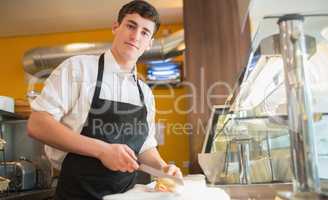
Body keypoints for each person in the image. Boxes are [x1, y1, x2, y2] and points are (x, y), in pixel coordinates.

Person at [27, 1, 182, 199]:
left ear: (150, 43)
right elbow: (38, 124)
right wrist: (102, 150)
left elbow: (145, 146)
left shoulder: (145, 92)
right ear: (116, 27)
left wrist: (163, 168)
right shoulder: (78, 69)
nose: (136, 36)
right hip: (77, 193)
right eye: (131, 26)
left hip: (125, 195)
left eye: (145, 32)